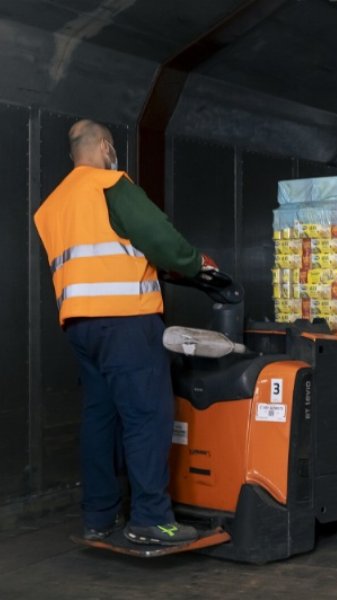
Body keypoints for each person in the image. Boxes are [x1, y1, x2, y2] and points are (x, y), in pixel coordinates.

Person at [34, 119, 217, 546]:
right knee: (148, 415)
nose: (113, 154)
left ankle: (98, 517)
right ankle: (151, 519)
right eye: (111, 147)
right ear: (103, 145)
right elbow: (159, 237)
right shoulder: (110, 184)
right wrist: (195, 263)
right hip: (125, 322)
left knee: (101, 417)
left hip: (80, 326)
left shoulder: (53, 205)